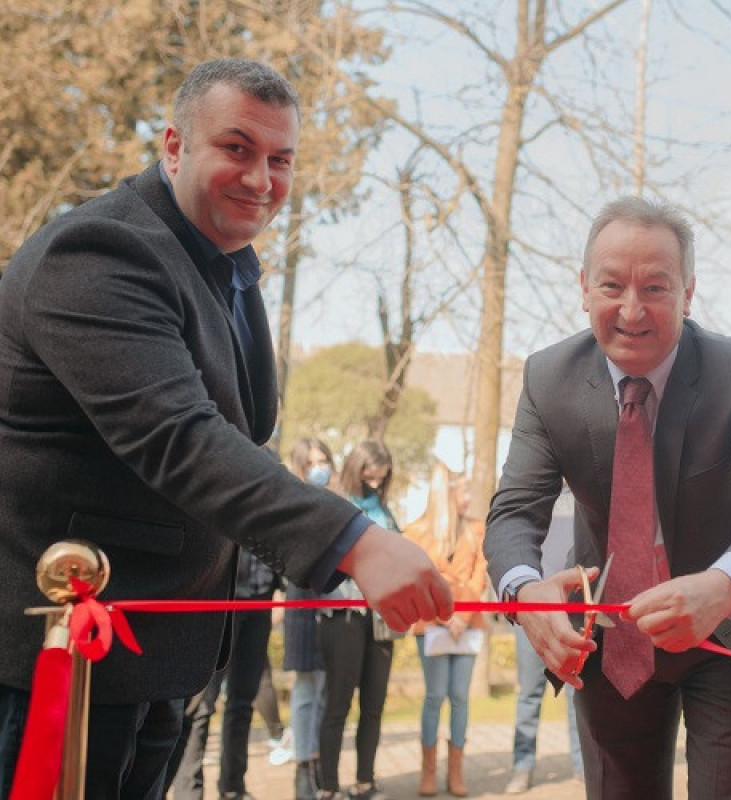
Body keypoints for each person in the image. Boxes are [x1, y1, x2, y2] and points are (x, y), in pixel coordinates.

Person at [0, 59, 452, 799]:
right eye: (236, 148)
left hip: (159, 656)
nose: (261, 179)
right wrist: (355, 541)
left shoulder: (226, 266)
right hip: (55, 669)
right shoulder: (99, 254)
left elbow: (244, 440)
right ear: (174, 147)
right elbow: (179, 437)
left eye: (280, 160)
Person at [483, 196, 731, 800]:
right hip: (612, 633)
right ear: (585, 287)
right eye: (612, 286)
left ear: (689, 293)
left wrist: (722, 586)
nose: (632, 311)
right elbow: (514, 510)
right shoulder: (547, 378)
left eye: (656, 288)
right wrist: (524, 592)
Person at [317, 440, 402, 800]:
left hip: (380, 619)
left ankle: (365, 781)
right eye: (369, 475)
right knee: (338, 703)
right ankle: (327, 786)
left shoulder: (387, 511)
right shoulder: (335, 504)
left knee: (374, 704)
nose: (375, 482)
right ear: (356, 469)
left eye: (381, 478)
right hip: (343, 615)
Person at [165, 546, 282, 800]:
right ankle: (188, 793)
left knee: (243, 702)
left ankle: (233, 788)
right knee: (200, 707)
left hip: (260, 599)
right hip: (217, 600)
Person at [406, 462, 490, 797]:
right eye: (464, 492)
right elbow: (416, 579)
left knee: (460, 698)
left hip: (467, 626)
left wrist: (462, 616)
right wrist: (443, 616)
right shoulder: (416, 533)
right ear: (447, 495)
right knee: (434, 696)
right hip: (431, 627)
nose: (469, 498)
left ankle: (455, 773)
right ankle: (428, 772)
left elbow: (479, 574)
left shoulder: (477, 531)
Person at [505, 488, 585, 795]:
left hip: (574, 614)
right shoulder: (532, 495)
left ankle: (581, 767)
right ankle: (522, 766)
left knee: (575, 695)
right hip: (532, 614)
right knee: (529, 695)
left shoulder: (582, 496)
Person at [284, 437, 337, 799]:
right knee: (305, 691)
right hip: (302, 603)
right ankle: (302, 767)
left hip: (332, 607)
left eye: (325, 460)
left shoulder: (334, 502)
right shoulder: (289, 502)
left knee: (323, 694)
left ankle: (318, 763)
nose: (321, 467)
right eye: (315, 461)